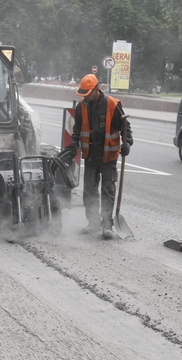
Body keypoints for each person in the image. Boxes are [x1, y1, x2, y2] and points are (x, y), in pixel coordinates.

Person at [61, 74, 133, 240]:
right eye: (83, 94)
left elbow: (125, 126)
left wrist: (127, 142)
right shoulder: (82, 106)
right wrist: (74, 143)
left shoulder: (112, 105)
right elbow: (77, 128)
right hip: (91, 156)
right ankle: (93, 223)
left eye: (88, 93)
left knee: (108, 190)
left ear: (97, 89)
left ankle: (107, 225)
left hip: (108, 156)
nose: (85, 96)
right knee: (90, 191)